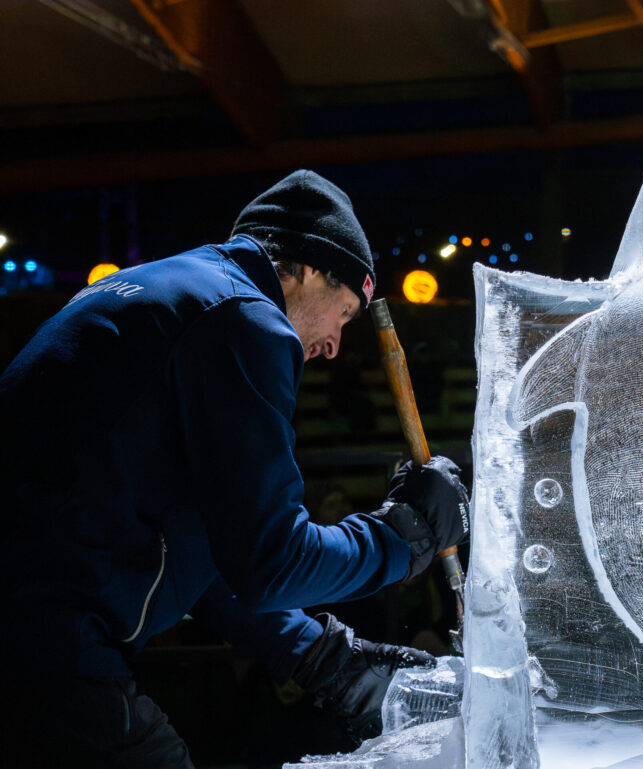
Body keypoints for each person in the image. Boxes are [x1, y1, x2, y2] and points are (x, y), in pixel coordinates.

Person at [0, 170, 470, 768]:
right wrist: (407, 537)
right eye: (343, 314)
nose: (333, 344)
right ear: (305, 268)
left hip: (35, 623)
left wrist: (322, 657)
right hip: (46, 641)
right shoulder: (245, 321)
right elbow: (272, 563)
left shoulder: (166, 293)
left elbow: (206, 547)